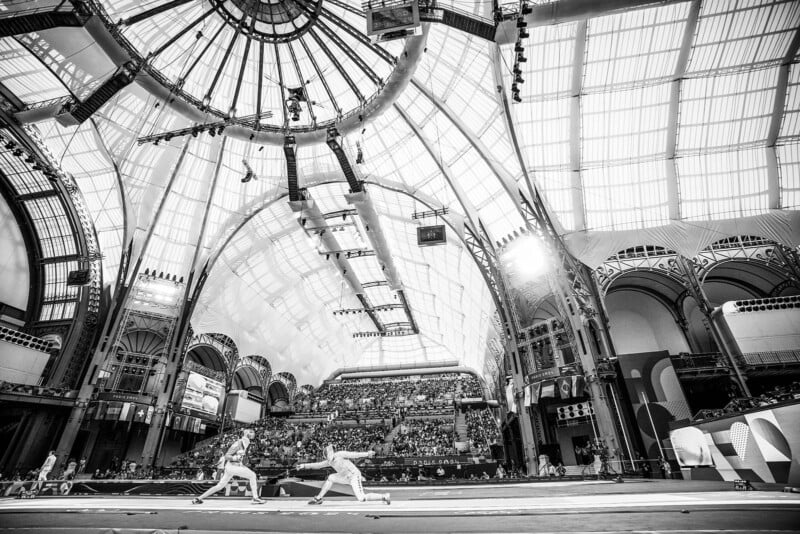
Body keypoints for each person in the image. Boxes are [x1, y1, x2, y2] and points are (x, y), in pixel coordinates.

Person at [297, 445, 390, 505]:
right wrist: (303, 465)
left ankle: (384, 496)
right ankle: (319, 498)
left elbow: (354, 455)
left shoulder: (340, 454)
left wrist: (367, 453)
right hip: (344, 477)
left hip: (354, 476)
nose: (327, 457)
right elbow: (318, 465)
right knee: (330, 478)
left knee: (361, 498)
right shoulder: (329, 462)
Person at [192, 429, 264, 504]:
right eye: (251, 432)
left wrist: (241, 461)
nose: (253, 434)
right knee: (252, 475)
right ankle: (255, 498)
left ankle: (198, 498)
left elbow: (240, 455)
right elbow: (227, 456)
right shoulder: (238, 443)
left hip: (233, 467)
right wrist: (234, 458)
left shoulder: (246, 443)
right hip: (232, 467)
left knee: (220, 486)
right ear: (245, 434)